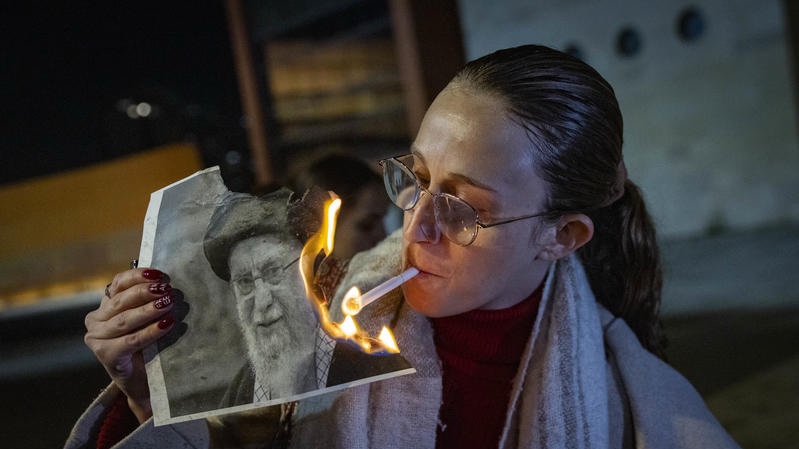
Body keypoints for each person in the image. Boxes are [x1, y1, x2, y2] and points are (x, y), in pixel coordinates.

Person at [69, 44, 741, 448]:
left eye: (462, 207)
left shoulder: (639, 405)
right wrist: (149, 395)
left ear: (560, 235)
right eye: (415, 180)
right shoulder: (318, 326)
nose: (415, 226)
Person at [202, 187, 411, 407]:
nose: (262, 302)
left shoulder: (375, 366)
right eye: (244, 283)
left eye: (274, 272)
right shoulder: (238, 395)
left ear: (310, 274)